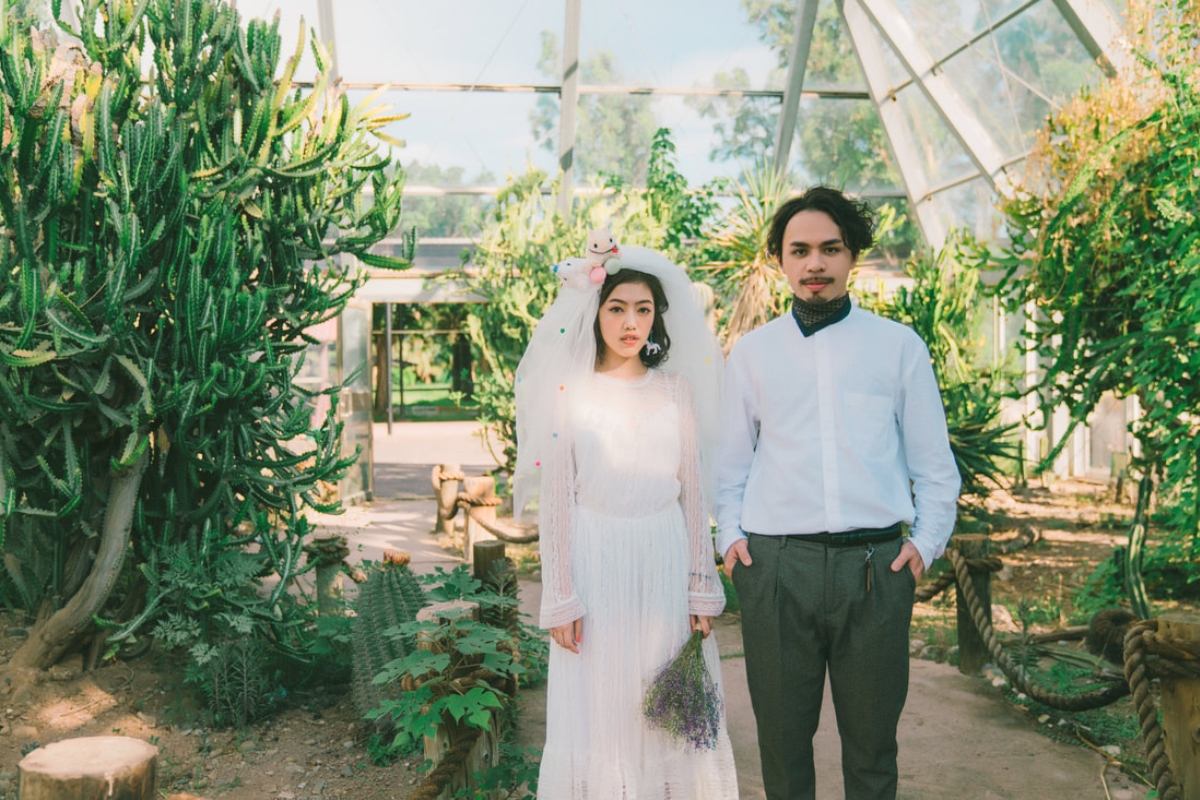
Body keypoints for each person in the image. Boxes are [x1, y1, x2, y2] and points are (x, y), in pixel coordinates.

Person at [716, 187, 961, 800]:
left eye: (831, 248)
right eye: (799, 250)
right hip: (775, 569)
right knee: (782, 745)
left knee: (874, 747)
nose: (815, 263)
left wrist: (925, 546)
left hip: (876, 570)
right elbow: (728, 465)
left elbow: (935, 466)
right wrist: (733, 540)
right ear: (779, 259)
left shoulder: (899, 347)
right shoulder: (752, 353)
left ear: (854, 256)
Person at [514, 242, 738, 798]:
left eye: (643, 309)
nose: (630, 321)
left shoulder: (677, 392)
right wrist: (561, 595)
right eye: (617, 307)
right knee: (601, 705)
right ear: (596, 313)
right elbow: (559, 502)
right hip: (595, 562)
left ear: (658, 318)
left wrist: (700, 587)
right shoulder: (570, 393)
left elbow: (693, 498)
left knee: (663, 707)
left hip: (663, 561)